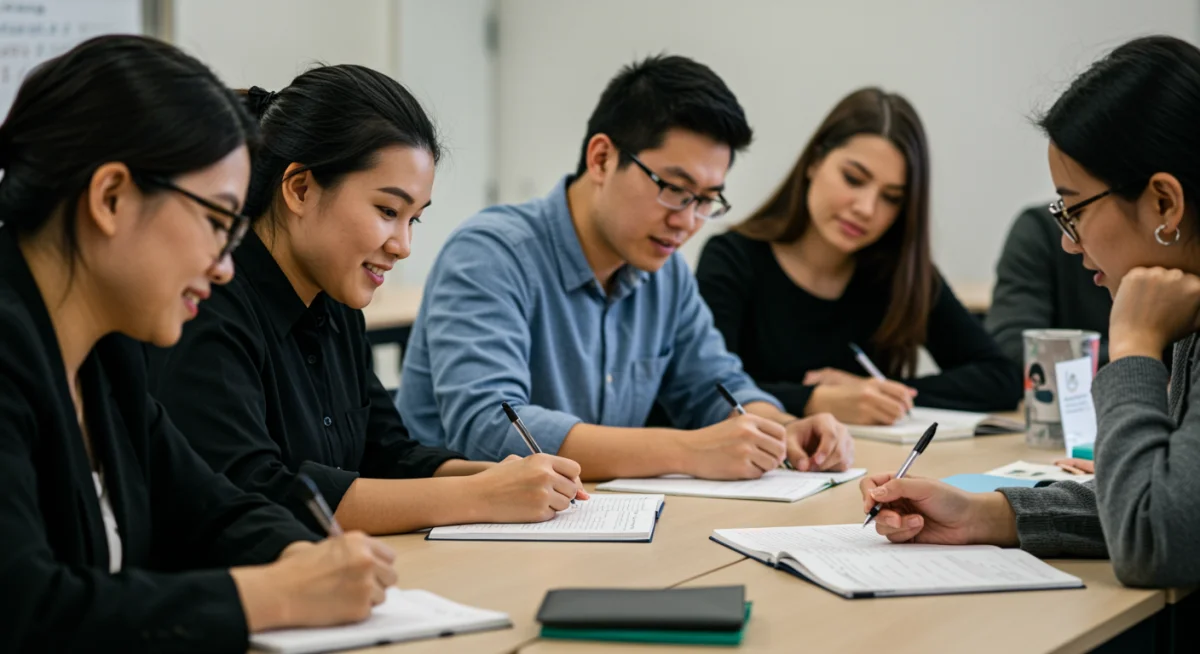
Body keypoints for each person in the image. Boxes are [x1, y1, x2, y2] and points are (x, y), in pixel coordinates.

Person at [0, 36, 397, 652]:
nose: (224, 266)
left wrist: (304, 553)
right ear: (110, 198)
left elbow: (210, 509)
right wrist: (277, 593)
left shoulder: (106, 355)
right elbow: (26, 610)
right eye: (215, 222)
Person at [146, 65, 586, 537]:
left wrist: (506, 477)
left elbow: (388, 455)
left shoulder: (335, 303)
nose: (403, 245)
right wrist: (482, 495)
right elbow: (255, 493)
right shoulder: (208, 305)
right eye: (387, 211)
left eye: (413, 219)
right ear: (300, 189)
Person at [397, 55, 853, 479]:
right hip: (457, 524)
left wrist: (782, 427)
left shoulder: (665, 273)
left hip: (588, 518)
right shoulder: (492, 253)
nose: (687, 222)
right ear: (602, 158)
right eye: (674, 189)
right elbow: (489, 428)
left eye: (706, 200)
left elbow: (715, 386)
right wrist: (686, 451)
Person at [859, 35, 1200, 589]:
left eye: (1075, 210)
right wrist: (984, 514)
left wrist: (1135, 346)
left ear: (1165, 203)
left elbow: (1157, 538)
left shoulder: (1166, 320)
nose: (1068, 241)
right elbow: (1173, 504)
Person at [696, 88, 1020, 426]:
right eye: (853, 179)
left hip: (875, 459)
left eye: (891, 198)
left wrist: (879, 395)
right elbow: (703, 390)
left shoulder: (899, 272)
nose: (866, 209)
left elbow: (1002, 378)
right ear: (815, 161)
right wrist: (815, 400)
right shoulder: (733, 259)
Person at [987, 204, 1112, 369]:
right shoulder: (1040, 228)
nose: (1068, 244)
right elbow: (1011, 349)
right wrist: (1133, 348)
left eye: (1079, 212)